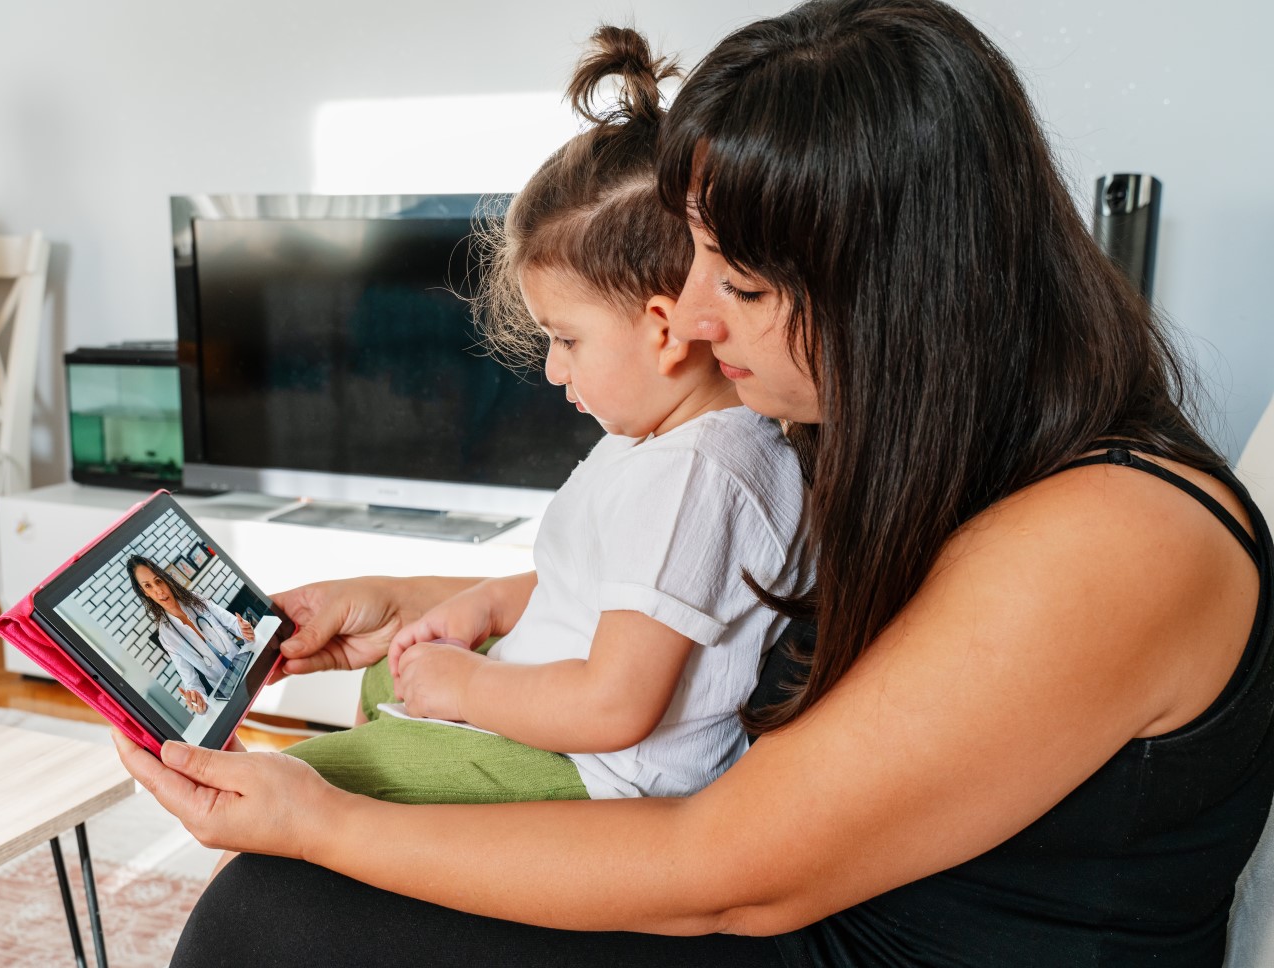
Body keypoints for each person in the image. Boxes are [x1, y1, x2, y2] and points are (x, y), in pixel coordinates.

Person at [113, 2, 1274, 966]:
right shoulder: (886, 435)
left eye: (746, 284)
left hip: (839, 934)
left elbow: (722, 874)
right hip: (800, 897)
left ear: (905, 289)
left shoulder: (1110, 540)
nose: (697, 321)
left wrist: (324, 820)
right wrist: (412, 595)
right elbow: (689, 597)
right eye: (697, 260)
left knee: (280, 909)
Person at [274, 27, 809, 807]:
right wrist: (487, 605)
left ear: (663, 331)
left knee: (309, 780)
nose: (554, 370)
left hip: (598, 773)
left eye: (565, 340)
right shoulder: (666, 443)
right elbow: (593, 581)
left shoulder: (693, 478)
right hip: (563, 719)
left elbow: (614, 706)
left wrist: (468, 687)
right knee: (393, 672)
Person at [127, 555, 255, 715]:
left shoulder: (195, 600)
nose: (158, 590)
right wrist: (198, 702)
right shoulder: (167, 637)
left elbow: (232, 623)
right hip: (227, 692)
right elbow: (191, 682)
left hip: (247, 664)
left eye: (158, 581)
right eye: (148, 586)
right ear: (145, 592)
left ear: (166, 580)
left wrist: (244, 629)